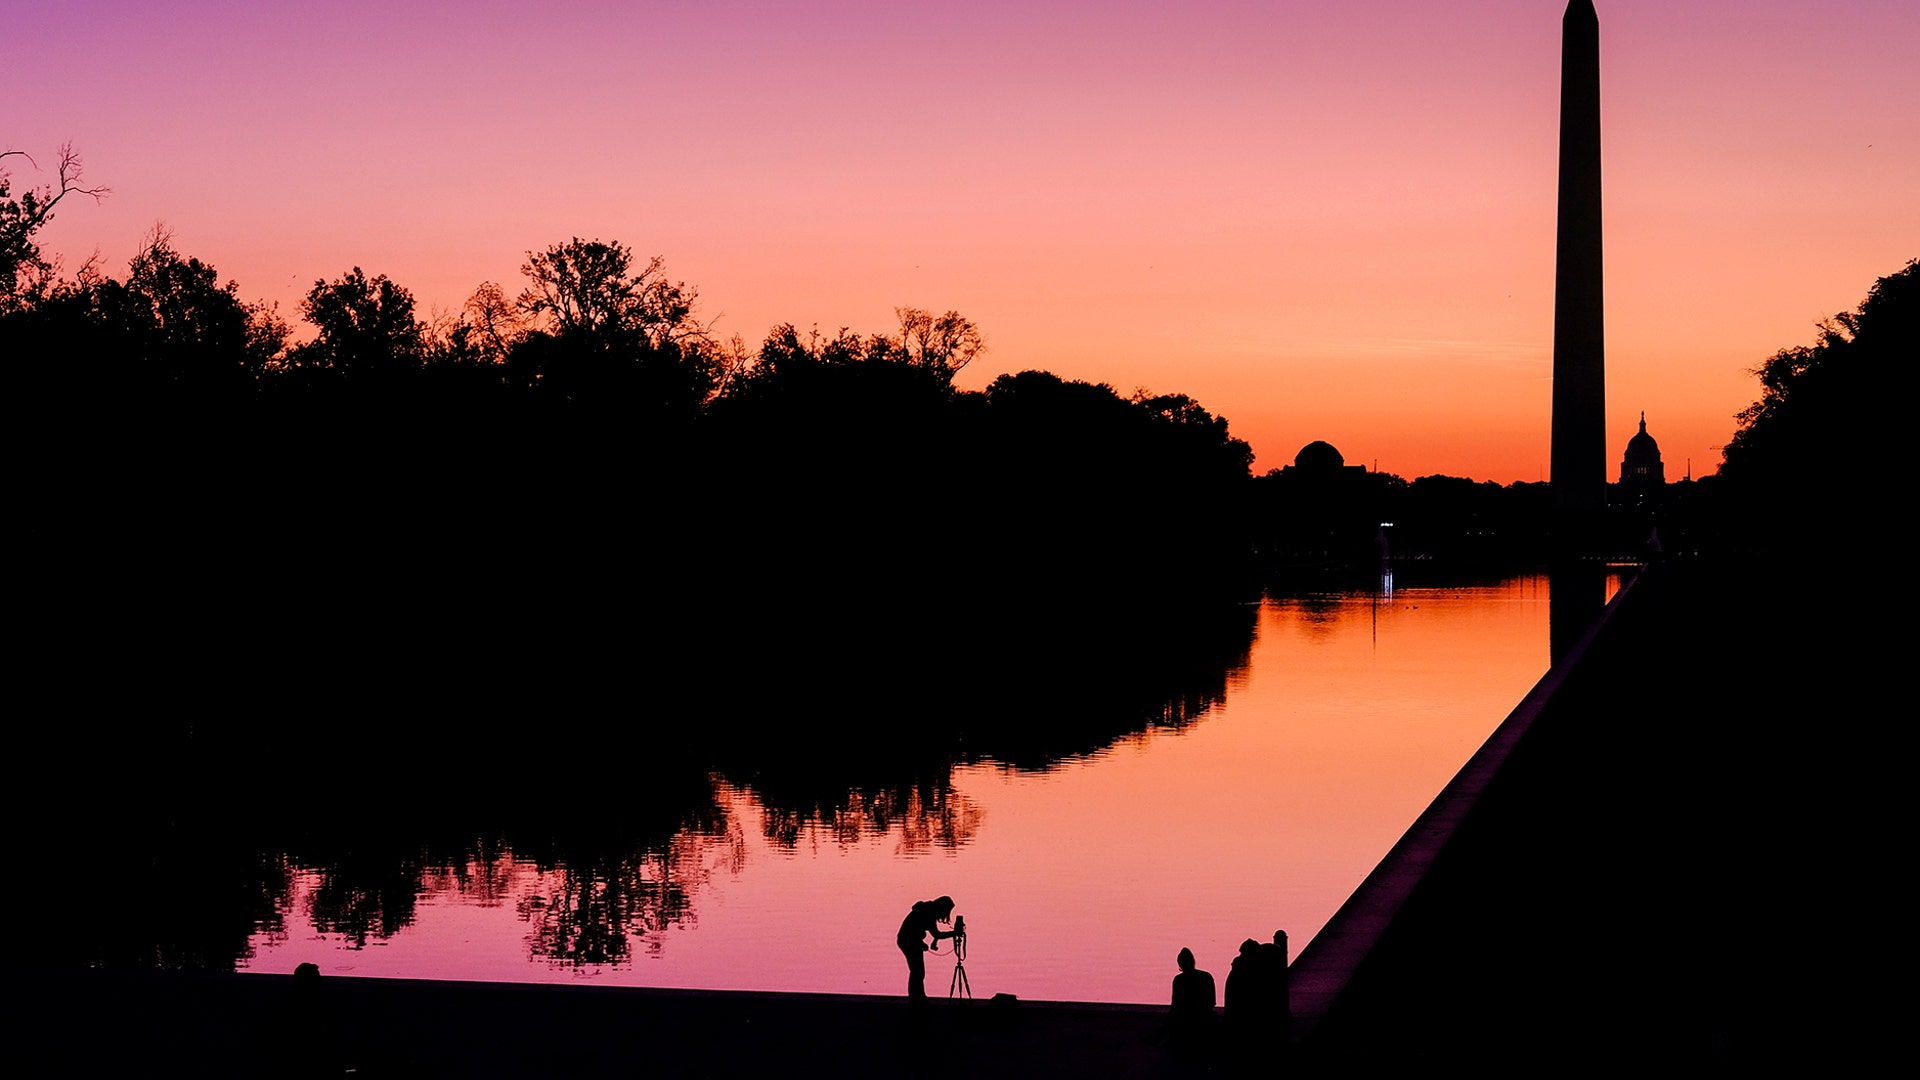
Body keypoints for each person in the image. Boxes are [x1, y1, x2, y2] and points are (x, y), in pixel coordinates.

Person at [897, 895, 958, 1001]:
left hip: (909, 939)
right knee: (917, 971)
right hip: (908, 941)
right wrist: (955, 933)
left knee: (918, 971)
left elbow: (927, 930)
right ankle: (916, 998)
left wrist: (923, 943)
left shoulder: (928, 909)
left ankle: (918, 996)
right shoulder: (929, 913)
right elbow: (937, 934)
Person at [1165, 947, 1217, 1054]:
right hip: (1203, 1017)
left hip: (1188, 1019)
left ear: (1180, 964)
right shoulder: (1206, 976)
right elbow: (1211, 1002)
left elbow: (1175, 1005)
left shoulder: (1178, 980)